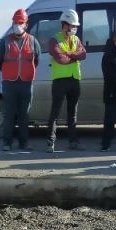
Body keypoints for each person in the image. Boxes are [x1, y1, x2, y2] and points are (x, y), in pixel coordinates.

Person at [0, 8, 41, 151]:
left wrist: (26, 71)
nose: (17, 26)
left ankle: (23, 143)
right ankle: (7, 143)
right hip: (9, 83)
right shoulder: (5, 41)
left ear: (26, 24)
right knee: (9, 115)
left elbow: (37, 59)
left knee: (24, 115)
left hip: (26, 83)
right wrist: (8, 71)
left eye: (20, 23)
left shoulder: (33, 41)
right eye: (15, 23)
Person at [46, 9, 86, 152]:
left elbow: (83, 54)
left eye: (75, 26)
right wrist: (73, 56)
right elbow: (60, 59)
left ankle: (73, 142)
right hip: (59, 81)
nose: (74, 29)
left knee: (72, 114)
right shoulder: (54, 39)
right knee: (55, 113)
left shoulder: (76, 39)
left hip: (74, 79)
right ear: (64, 25)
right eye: (71, 26)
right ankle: (50, 142)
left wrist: (69, 53)